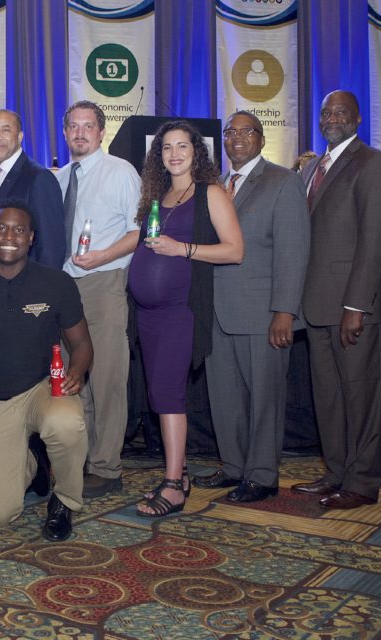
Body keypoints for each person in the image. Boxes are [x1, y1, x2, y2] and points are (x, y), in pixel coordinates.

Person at [0, 202, 93, 541]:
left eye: (19, 230)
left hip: (44, 388)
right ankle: (33, 465)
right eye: (1, 229)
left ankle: (65, 500)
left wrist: (77, 372)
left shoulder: (56, 283)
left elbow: (82, 344)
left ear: (31, 237)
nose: (9, 236)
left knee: (66, 423)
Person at [128, 120, 243, 518]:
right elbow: (140, 237)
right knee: (160, 395)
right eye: (166, 148)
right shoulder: (160, 193)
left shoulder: (210, 193)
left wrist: (183, 249)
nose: (174, 154)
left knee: (170, 394)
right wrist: (101, 256)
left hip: (179, 311)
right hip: (146, 313)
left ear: (197, 151)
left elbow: (234, 250)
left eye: (182, 146)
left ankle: (174, 485)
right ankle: (179, 474)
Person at [196, 112, 309, 502]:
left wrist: (285, 311)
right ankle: (233, 467)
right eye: (230, 132)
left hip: (263, 313)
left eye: (247, 132)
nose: (237, 138)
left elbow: (294, 253)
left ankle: (262, 475)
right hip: (216, 311)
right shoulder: (214, 186)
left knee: (264, 399)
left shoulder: (283, 182)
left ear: (261, 139)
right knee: (225, 397)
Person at [293, 91, 381, 510]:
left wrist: (357, 305)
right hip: (315, 306)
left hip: (353, 308)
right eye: (325, 112)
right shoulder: (312, 167)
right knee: (329, 398)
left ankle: (363, 482)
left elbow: (374, 241)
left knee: (362, 398)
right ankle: (336, 473)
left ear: (357, 118)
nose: (332, 118)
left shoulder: (374, 164)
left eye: (341, 112)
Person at [56, 101, 141, 497]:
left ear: (101, 132)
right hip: (65, 287)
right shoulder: (58, 178)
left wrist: (104, 255)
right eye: (73, 126)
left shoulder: (120, 172)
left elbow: (140, 230)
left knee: (107, 378)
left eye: (88, 126)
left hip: (104, 281)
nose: (80, 133)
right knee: (77, 379)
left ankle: (108, 468)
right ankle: (84, 460)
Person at [0, 109, 65, 269]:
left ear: (20, 136)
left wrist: (44, 289)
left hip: (26, 283)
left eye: (5, 130)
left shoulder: (39, 177)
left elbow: (51, 246)